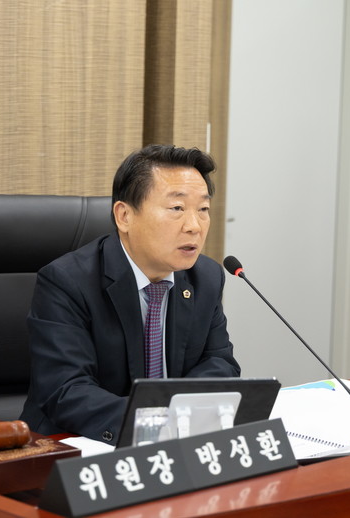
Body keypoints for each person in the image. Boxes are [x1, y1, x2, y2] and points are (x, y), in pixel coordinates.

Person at [19, 144, 241, 444]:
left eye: (203, 210)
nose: (194, 226)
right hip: (77, 445)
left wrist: (176, 417)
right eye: (177, 208)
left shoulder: (206, 277)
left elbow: (221, 364)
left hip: (173, 443)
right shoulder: (67, 281)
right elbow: (67, 391)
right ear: (124, 216)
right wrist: (157, 423)